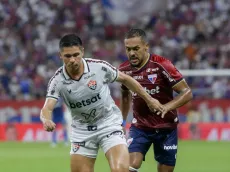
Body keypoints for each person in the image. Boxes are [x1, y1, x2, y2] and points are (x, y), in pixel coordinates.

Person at [40, 33, 164, 172]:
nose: (73, 60)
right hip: (82, 131)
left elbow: (126, 79)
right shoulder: (57, 81)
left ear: (82, 51)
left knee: (119, 170)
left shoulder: (99, 67)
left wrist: (149, 99)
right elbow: (47, 107)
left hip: (108, 124)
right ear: (60, 56)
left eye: (76, 54)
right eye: (68, 56)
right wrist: (46, 120)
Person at [119, 29, 193, 172]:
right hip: (140, 127)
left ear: (146, 46)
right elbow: (125, 95)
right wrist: (121, 122)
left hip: (166, 127)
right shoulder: (124, 69)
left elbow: (187, 92)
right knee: (130, 165)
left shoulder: (162, 64)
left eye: (136, 48)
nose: (132, 53)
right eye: (128, 49)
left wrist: (166, 107)